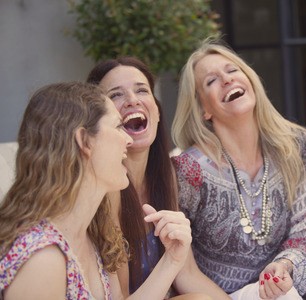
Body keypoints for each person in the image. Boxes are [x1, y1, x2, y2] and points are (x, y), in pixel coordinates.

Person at [0, 82, 194, 299]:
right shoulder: (42, 260)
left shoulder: (94, 232)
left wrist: (172, 260)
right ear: (84, 141)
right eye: (118, 127)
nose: (128, 140)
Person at [171, 39, 306, 300]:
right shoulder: (189, 169)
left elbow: (302, 234)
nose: (227, 80)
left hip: (278, 292)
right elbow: (178, 262)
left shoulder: (295, 146)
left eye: (232, 70)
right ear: (204, 109)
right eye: (211, 81)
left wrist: (283, 267)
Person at [87, 57, 230, 299]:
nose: (133, 100)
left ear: (157, 111)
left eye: (142, 90)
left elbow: (188, 275)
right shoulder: (105, 191)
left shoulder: (167, 175)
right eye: (116, 95)